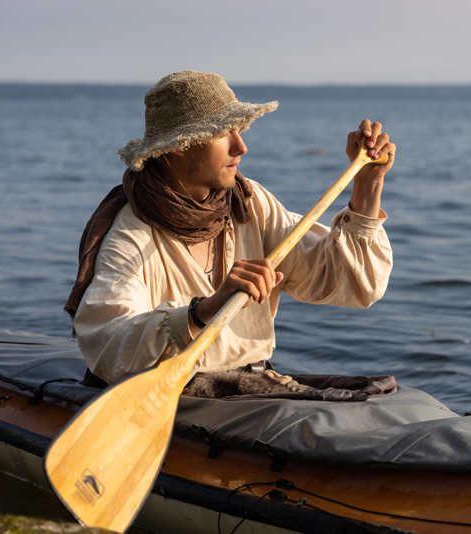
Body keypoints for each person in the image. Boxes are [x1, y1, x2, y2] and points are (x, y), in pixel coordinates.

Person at [64, 70, 395, 388]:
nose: (241, 146)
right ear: (181, 144)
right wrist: (201, 312)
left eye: (241, 130)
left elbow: (353, 283)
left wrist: (368, 185)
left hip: (250, 388)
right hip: (172, 398)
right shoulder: (129, 234)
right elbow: (107, 341)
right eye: (225, 132)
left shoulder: (249, 202)